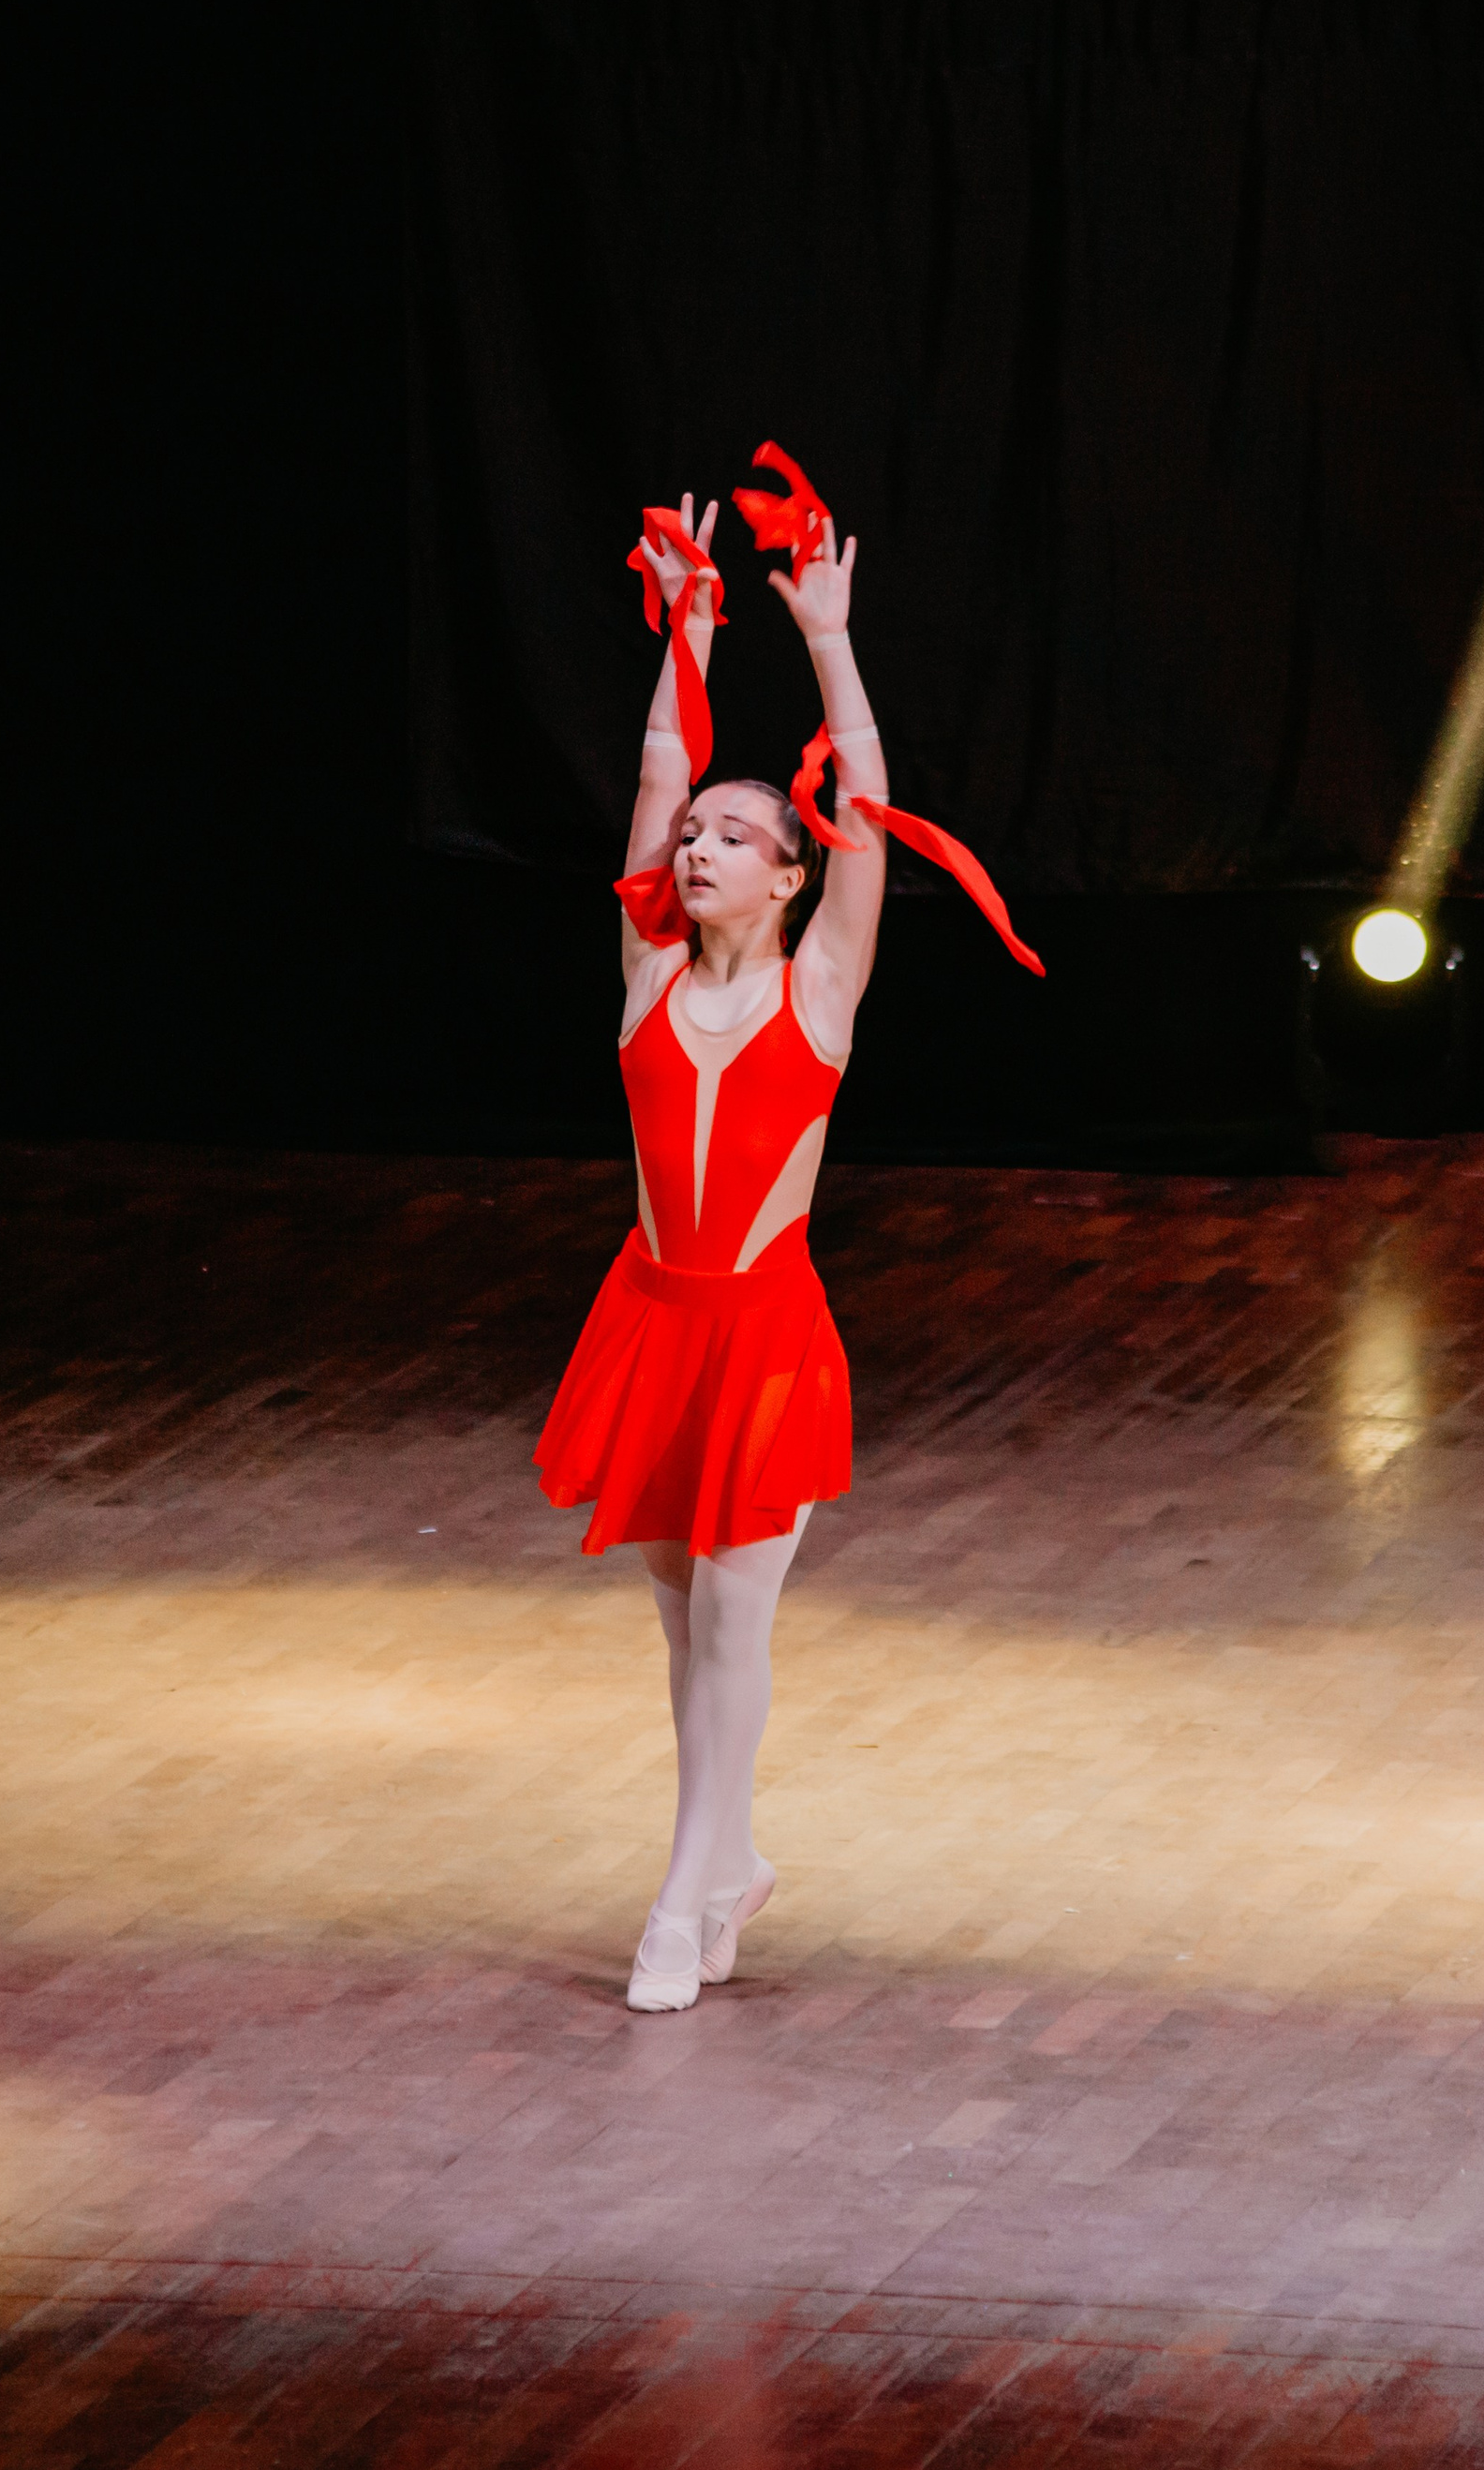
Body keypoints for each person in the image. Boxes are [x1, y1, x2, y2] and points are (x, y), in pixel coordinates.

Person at [535, 487, 889, 2012]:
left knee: (737, 1622)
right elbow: (655, 768)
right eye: (693, 835)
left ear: (789, 875)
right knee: (689, 1631)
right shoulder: (646, 974)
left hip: (762, 1333)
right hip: (653, 1323)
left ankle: (681, 1899)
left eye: (735, 836)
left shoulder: (823, 986)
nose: (697, 845)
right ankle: (729, 1859)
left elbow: (866, 797)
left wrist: (826, 641)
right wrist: (686, 629)